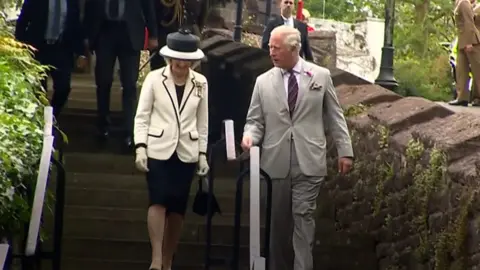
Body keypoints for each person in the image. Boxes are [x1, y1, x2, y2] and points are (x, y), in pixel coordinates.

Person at [242, 25, 353, 270]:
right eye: (270, 47)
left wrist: (345, 151)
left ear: (294, 49)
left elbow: (335, 116)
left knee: (304, 220)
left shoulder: (320, 76)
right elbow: (254, 121)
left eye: (276, 48)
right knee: (278, 227)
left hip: (309, 161)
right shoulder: (263, 82)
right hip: (274, 162)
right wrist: (249, 137)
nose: (271, 52)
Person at [133, 29, 210, 270]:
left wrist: (202, 154)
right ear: (169, 58)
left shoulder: (201, 83)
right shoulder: (154, 79)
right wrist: (140, 148)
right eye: (178, 59)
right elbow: (142, 116)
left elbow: (203, 121)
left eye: (187, 60)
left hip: (186, 150)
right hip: (157, 149)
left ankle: (168, 259)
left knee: (177, 207)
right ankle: (156, 259)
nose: (182, 64)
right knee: (158, 200)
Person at [83, 0, 158, 148]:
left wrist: (153, 35)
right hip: (104, 31)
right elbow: (90, 7)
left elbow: (148, 7)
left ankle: (129, 130)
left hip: (130, 33)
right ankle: (103, 124)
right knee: (103, 81)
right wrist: (87, 35)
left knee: (130, 84)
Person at [15, 0, 87, 117]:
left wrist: (81, 53)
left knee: (63, 88)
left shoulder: (71, 2)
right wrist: (21, 45)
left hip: (62, 49)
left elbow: (76, 26)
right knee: (38, 87)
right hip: (39, 48)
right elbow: (23, 20)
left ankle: (51, 117)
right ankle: (39, 118)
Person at [149, 0, 208, 71]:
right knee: (161, 72)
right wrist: (153, 35)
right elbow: (152, 12)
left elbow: (202, 15)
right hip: (165, 37)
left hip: (191, 36)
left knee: (192, 71)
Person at [449, 0, 480, 106]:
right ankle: (462, 97)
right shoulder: (459, 2)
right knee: (461, 70)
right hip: (462, 39)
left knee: (477, 70)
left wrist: (469, 42)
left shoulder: (464, 3)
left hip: (471, 41)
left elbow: (469, 22)